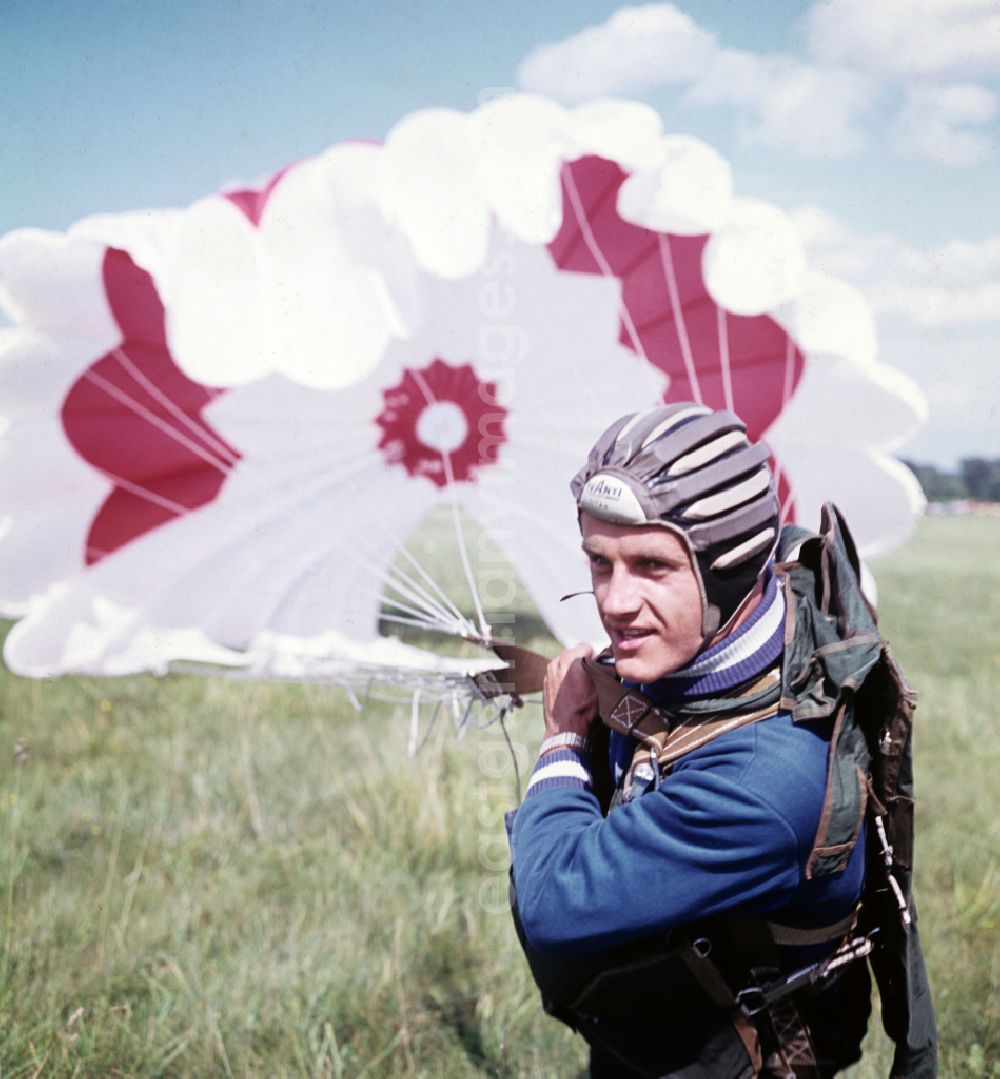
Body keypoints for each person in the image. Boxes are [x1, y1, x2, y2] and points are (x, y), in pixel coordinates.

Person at [507, 403, 936, 1078]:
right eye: (600, 562)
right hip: (661, 1020)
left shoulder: (771, 778)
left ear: (729, 571)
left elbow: (554, 903)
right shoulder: (709, 650)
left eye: (652, 565)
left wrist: (564, 739)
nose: (615, 602)